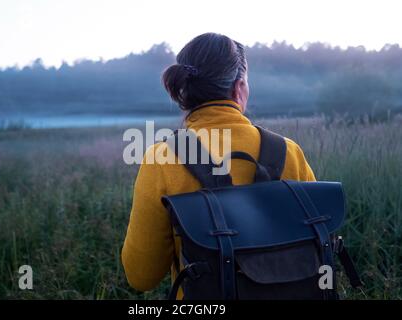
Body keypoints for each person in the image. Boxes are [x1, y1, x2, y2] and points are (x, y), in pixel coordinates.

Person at [121, 33, 316, 299]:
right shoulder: (289, 152)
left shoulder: (162, 159)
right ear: (239, 88)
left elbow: (141, 276)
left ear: (184, 93)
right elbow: (317, 245)